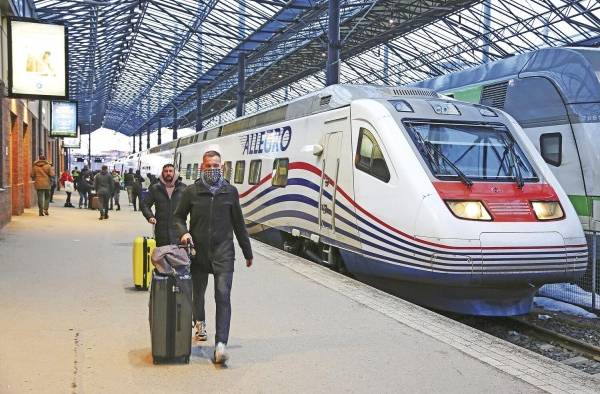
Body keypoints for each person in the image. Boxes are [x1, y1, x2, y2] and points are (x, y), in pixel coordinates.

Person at [174, 150, 253, 365]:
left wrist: (248, 252)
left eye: (216, 165)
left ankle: (221, 345)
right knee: (198, 292)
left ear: (222, 166)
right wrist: (184, 232)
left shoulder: (230, 192)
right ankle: (199, 322)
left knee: (222, 294)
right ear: (202, 167)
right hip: (197, 252)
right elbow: (178, 217)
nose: (212, 169)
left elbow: (239, 224)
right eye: (208, 166)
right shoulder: (192, 191)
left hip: (224, 252)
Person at [140, 164, 186, 246]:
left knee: (178, 257)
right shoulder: (155, 188)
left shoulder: (183, 188)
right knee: (161, 256)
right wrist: (150, 216)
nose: (168, 173)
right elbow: (144, 204)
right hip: (161, 232)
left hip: (179, 232)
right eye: (166, 171)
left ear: (174, 173)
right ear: (162, 173)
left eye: (170, 171)